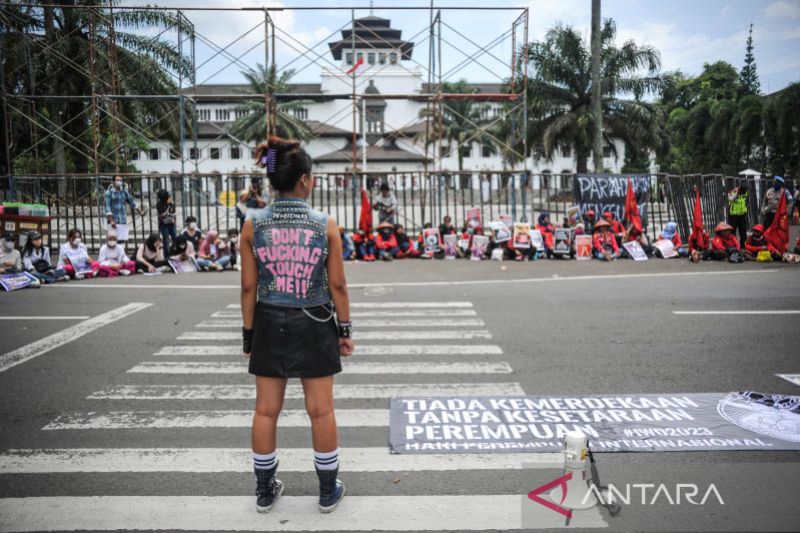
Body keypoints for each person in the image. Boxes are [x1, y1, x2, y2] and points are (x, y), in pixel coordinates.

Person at [242, 136, 353, 514]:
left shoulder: (253, 224)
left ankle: (264, 489)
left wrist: (248, 334)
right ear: (304, 181)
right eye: (313, 176)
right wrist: (345, 329)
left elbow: (247, 287)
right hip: (314, 319)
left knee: (265, 410)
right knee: (320, 410)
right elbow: (337, 285)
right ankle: (326, 490)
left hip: (270, 320)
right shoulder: (325, 225)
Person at [104, 175, 143, 249]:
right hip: (113, 220)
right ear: (113, 182)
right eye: (117, 180)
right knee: (112, 239)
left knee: (121, 240)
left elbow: (132, 202)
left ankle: (120, 256)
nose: (119, 182)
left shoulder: (124, 192)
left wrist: (139, 211)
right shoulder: (108, 193)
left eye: (120, 180)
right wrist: (111, 220)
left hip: (122, 220)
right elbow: (107, 207)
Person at [156, 189, 177, 254]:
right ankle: (166, 254)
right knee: (166, 239)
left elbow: (173, 212)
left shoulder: (171, 202)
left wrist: (174, 220)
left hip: (171, 222)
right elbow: (163, 214)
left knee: (174, 237)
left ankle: (175, 250)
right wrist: (168, 206)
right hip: (163, 223)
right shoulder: (159, 204)